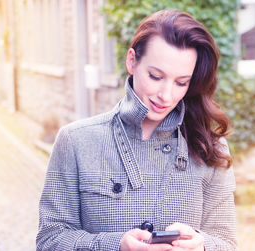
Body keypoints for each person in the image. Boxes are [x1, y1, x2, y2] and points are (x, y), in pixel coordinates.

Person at [36, 9, 236, 251]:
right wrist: (114, 245)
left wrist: (203, 246)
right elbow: (50, 239)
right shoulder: (76, 141)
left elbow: (226, 242)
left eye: (181, 82)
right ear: (132, 61)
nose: (166, 95)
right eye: (155, 76)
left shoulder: (209, 148)